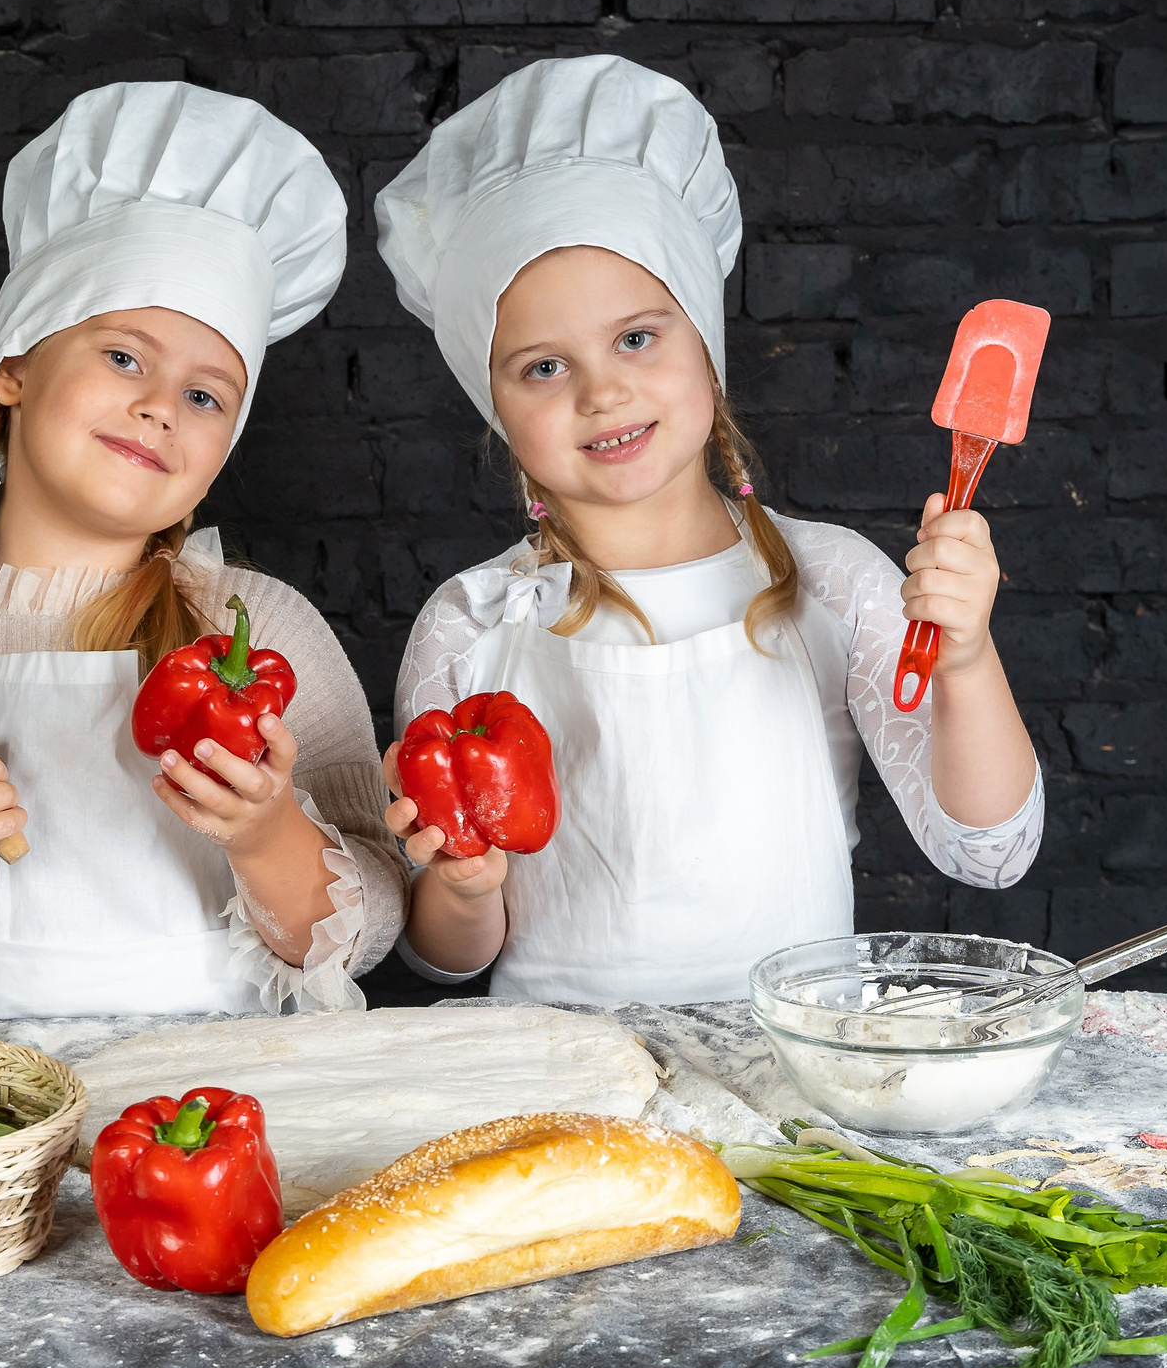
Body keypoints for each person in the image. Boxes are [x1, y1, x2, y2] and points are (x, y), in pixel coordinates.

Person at [374, 55, 1042, 1005]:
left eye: (638, 337)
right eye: (543, 367)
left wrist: (967, 658)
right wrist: (462, 886)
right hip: (568, 1092)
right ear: (495, 406)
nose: (603, 390)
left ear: (706, 345)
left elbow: (987, 848)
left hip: (793, 1082)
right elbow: (447, 957)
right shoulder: (470, 623)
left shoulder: (833, 581)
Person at [0, 82, 405, 1020]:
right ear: (13, 367)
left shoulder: (266, 631)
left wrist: (267, 835)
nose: (159, 408)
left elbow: (376, 917)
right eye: (124, 357)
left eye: (206, 395)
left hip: (216, 1113)